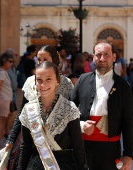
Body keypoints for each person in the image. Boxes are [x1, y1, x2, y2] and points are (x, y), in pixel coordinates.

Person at [9, 61, 88, 170]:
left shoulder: (69, 109)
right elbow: (25, 147)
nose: (43, 84)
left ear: (57, 81)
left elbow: (78, 148)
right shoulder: (28, 110)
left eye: (48, 79)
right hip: (35, 166)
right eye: (39, 80)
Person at [70, 40, 133, 170]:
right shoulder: (83, 80)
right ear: (93, 57)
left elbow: (128, 122)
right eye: (98, 55)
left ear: (114, 57)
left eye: (106, 54)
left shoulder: (123, 86)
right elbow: (68, 109)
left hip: (110, 149)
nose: (102, 58)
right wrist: (81, 125)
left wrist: (128, 154)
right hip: (83, 146)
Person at [0, 53, 14, 147]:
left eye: (13, 61)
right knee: (0, 120)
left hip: (6, 99)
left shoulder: (4, 72)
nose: (12, 63)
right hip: (3, 99)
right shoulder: (1, 72)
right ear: (4, 62)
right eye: (10, 61)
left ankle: (0, 139)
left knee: (2, 119)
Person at [5, 48, 18, 138]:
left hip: (13, 92)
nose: (16, 57)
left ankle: (7, 131)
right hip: (8, 93)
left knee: (11, 113)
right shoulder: (6, 69)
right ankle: (6, 132)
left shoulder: (13, 67)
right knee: (8, 114)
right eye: (15, 55)